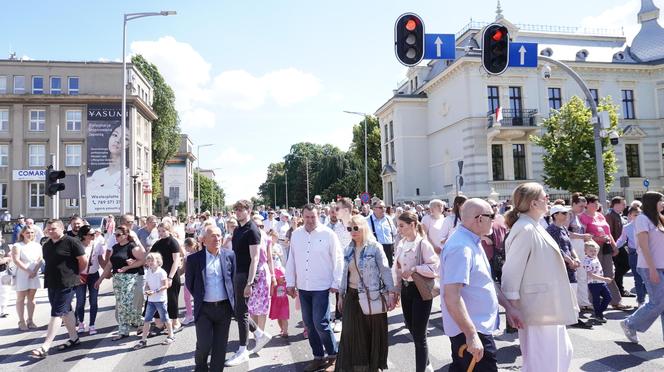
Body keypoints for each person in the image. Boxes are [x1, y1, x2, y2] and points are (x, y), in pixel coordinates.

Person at [501, 183, 577, 372]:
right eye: (546, 197)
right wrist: (512, 307)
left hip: (547, 305)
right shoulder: (525, 229)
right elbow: (511, 272)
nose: (548, 200)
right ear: (534, 203)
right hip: (536, 308)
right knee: (543, 362)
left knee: (561, 355)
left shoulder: (534, 225)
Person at [441, 199, 524, 372]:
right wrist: (471, 335)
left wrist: (508, 307)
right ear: (479, 219)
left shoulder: (471, 241)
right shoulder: (461, 247)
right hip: (469, 331)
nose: (494, 219)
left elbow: (486, 281)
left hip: (475, 328)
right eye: (491, 215)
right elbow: (452, 297)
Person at [335, 215, 397, 372]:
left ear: (364, 227)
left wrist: (391, 293)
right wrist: (341, 295)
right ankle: (354, 368)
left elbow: (385, 270)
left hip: (372, 296)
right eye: (350, 228)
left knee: (372, 333)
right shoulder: (348, 248)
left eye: (356, 228)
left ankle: (372, 366)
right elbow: (344, 274)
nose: (353, 231)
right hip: (351, 295)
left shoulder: (374, 247)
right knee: (350, 333)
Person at [287, 204, 343, 372]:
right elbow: (291, 259)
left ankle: (333, 355)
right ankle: (318, 357)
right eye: (307, 217)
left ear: (318, 216)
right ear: (302, 217)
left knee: (321, 322)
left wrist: (336, 282)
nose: (310, 220)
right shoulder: (296, 235)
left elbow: (338, 258)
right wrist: (290, 282)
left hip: (322, 286)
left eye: (313, 217)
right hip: (304, 287)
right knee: (309, 324)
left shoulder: (328, 234)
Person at [30, 219, 87, 359]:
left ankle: (45, 346)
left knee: (56, 313)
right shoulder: (47, 244)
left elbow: (83, 261)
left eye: (53, 229)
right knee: (66, 311)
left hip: (67, 283)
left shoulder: (72, 242)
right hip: (52, 282)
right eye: (48, 229)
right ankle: (74, 338)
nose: (50, 231)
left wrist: (74, 275)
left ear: (62, 228)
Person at [225, 200, 272, 367]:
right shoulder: (238, 230)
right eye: (236, 209)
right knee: (237, 310)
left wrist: (250, 283)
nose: (238, 212)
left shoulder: (252, 230)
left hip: (246, 275)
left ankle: (243, 350)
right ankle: (259, 334)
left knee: (242, 312)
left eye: (241, 209)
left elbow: (255, 259)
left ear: (249, 210)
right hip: (237, 273)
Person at [392, 211, 440, 372]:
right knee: (411, 327)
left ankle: (422, 368)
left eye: (401, 226)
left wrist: (414, 269)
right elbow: (396, 268)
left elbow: (435, 267)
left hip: (421, 291)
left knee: (419, 336)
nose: (399, 229)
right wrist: (396, 290)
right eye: (398, 226)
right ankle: (425, 362)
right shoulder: (401, 242)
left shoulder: (422, 244)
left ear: (412, 225)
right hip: (406, 290)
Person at [185, 226, 236, 372]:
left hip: (223, 308)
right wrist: (201, 297)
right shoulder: (194, 259)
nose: (217, 239)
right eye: (213, 236)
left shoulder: (230, 255)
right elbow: (190, 282)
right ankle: (200, 368)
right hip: (204, 309)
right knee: (204, 344)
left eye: (219, 235)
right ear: (204, 240)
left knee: (220, 346)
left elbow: (232, 281)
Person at [620, 192, 664, 345]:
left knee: (662, 302)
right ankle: (630, 323)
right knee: (657, 302)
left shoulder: (660, 219)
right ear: (652, 202)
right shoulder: (642, 219)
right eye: (660, 200)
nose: (663, 203)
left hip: (662, 266)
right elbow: (644, 247)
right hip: (649, 266)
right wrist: (652, 269)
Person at [579, 195, 630, 310]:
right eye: (593, 203)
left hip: (605, 247)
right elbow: (583, 235)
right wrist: (597, 239)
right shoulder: (582, 217)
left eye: (597, 202)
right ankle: (591, 301)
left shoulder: (600, 215)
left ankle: (616, 301)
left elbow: (608, 232)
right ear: (587, 204)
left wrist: (614, 245)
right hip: (592, 248)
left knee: (609, 273)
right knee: (593, 273)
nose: (596, 205)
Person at [546, 205, 593, 329]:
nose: (567, 215)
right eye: (564, 213)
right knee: (566, 290)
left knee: (573, 289)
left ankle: (573, 317)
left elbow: (569, 246)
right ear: (555, 215)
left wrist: (576, 258)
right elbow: (556, 248)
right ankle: (569, 317)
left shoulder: (564, 229)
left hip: (570, 265)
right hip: (560, 265)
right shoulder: (551, 230)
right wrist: (569, 260)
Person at [95, 225, 145, 341]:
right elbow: (109, 264)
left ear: (126, 236)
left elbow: (143, 260)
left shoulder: (132, 247)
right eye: (115, 235)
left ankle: (140, 322)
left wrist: (129, 266)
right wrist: (100, 279)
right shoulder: (115, 247)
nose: (116, 237)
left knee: (126, 303)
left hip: (130, 277)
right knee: (121, 304)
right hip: (117, 278)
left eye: (118, 235)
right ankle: (123, 330)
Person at [134, 252, 175, 349]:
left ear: (158, 261)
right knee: (147, 320)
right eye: (148, 260)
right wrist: (146, 290)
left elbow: (166, 285)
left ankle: (171, 336)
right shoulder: (148, 271)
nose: (150, 262)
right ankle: (143, 340)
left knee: (165, 318)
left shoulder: (162, 272)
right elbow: (147, 284)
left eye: (152, 260)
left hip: (160, 300)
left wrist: (155, 291)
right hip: (151, 300)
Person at [150, 221, 183, 332]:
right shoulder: (157, 243)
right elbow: (150, 257)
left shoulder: (173, 242)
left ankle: (176, 323)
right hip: (159, 276)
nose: (161, 233)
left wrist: (170, 278)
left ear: (169, 230)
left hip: (171, 275)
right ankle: (161, 324)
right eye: (159, 231)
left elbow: (176, 260)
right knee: (159, 299)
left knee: (172, 300)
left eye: (164, 231)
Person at [247, 215, 276, 338]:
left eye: (261, 226)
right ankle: (256, 333)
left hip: (263, 274)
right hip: (251, 273)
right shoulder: (248, 238)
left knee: (263, 305)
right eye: (256, 225)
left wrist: (273, 275)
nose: (259, 228)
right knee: (252, 305)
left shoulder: (267, 238)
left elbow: (269, 259)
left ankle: (262, 333)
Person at [74, 225, 105, 335]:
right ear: (83, 236)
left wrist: (107, 272)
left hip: (93, 275)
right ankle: (81, 323)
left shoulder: (97, 244)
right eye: (91, 234)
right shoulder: (77, 245)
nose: (94, 236)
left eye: (94, 234)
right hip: (81, 275)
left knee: (93, 300)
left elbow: (101, 259)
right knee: (80, 300)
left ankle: (92, 324)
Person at [11, 225, 43, 330]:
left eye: (32, 232)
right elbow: (16, 260)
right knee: (21, 297)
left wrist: (34, 271)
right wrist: (28, 271)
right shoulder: (17, 245)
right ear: (23, 234)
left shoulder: (37, 245)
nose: (30, 234)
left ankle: (30, 320)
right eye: (27, 232)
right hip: (22, 273)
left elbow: (40, 259)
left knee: (32, 297)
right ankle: (21, 321)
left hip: (34, 273)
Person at [568, 193, 594, 311]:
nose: (583, 209)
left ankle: (583, 301)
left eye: (584, 206)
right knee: (576, 275)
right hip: (573, 246)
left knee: (582, 274)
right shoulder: (569, 214)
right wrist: (582, 236)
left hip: (579, 246)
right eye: (580, 206)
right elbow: (565, 232)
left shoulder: (577, 215)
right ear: (573, 204)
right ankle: (577, 302)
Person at [616, 206, 647, 306]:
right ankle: (640, 300)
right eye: (635, 215)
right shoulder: (627, 227)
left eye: (639, 214)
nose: (638, 217)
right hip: (633, 254)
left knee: (647, 278)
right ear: (630, 215)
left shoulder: (646, 225)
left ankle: (647, 297)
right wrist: (614, 247)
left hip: (645, 253)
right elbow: (622, 239)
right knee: (637, 278)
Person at [606, 196, 632, 297]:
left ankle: (619, 289)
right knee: (625, 265)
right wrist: (614, 246)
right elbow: (609, 232)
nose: (624, 206)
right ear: (616, 204)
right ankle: (617, 288)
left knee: (622, 266)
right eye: (623, 204)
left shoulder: (617, 215)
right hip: (616, 246)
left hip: (620, 245)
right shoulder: (610, 215)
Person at [582, 240, 613, 323]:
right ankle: (598, 315)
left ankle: (598, 312)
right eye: (590, 251)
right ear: (585, 251)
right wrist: (605, 279)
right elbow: (591, 275)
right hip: (594, 284)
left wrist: (591, 239)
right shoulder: (587, 261)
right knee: (596, 300)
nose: (593, 252)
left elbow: (597, 247)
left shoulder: (595, 257)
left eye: (594, 251)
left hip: (601, 283)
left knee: (608, 297)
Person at [367, 199, 397, 267]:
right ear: (374, 209)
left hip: (389, 249)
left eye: (384, 207)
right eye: (380, 207)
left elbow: (394, 233)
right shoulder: (367, 221)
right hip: (375, 250)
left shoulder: (389, 219)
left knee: (389, 272)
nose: (383, 209)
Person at [182, 238, 200, 325]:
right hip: (188, 278)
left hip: (196, 279)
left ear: (192, 246)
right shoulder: (187, 255)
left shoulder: (199, 255)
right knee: (186, 297)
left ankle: (197, 314)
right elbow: (184, 268)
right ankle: (189, 315)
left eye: (186, 247)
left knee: (197, 296)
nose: (185, 248)